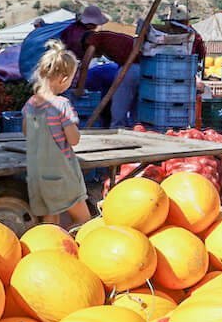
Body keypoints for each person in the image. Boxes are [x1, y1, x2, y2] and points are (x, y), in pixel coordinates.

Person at [23, 40, 92, 227]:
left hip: (38, 172)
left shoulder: (30, 103)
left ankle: (50, 248)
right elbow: (74, 139)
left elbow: (26, 131)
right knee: (83, 220)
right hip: (61, 173)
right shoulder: (61, 105)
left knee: (50, 221)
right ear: (63, 79)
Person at [73, 24, 140, 127]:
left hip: (130, 66)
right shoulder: (108, 38)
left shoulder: (94, 39)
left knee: (118, 109)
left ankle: (118, 129)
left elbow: (85, 63)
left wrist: (80, 89)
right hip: (143, 67)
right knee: (134, 109)